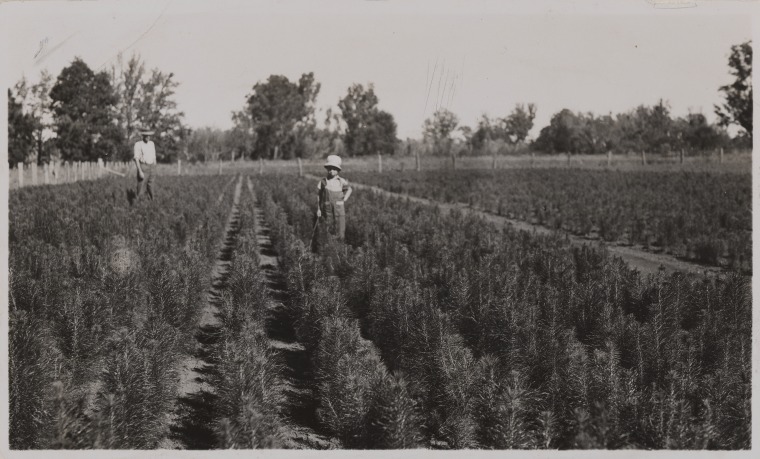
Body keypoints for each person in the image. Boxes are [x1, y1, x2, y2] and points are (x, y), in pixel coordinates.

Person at [316, 155, 352, 241]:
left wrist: (345, 198)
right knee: (328, 226)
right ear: (327, 169)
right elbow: (319, 195)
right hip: (327, 209)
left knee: (340, 227)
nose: (332, 171)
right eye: (330, 168)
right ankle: (329, 245)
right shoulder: (323, 181)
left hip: (339, 209)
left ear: (338, 170)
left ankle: (339, 245)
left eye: (334, 169)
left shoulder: (341, 181)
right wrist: (318, 209)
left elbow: (349, 189)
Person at [133, 129, 156, 201]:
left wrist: (154, 164)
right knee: (141, 185)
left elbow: (154, 155)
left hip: (152, 166)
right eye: (146, 135)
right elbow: (136, 159)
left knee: (151, 185)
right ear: (143, 136)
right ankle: (138, 203)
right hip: (143, 166)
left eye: (149, 135)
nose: (148, 137)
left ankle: (152, 201)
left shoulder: (152, 143)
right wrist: (140, 171)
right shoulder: (138, 144)